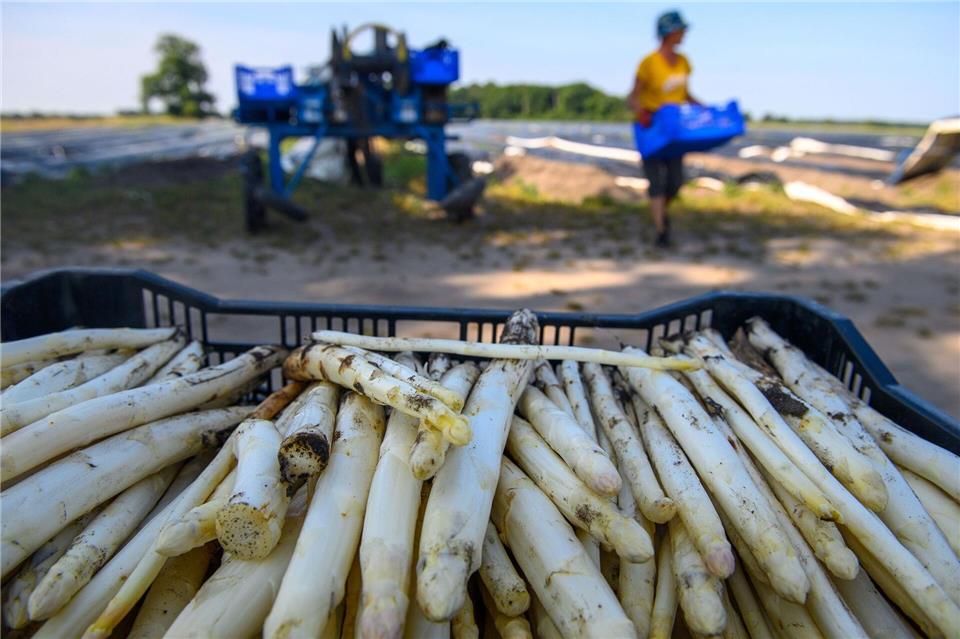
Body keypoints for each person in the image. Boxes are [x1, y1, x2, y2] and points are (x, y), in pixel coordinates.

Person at [628, 10, 701, 248]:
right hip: (652, 127)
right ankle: (661, 231)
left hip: (675, 130)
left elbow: (685, 94)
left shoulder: (684, 62)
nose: (684, 34)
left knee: (675, 181)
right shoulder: (648, 63)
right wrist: (641, 113)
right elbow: (634, 97)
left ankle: (660, 210)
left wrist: (705, 110)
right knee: (656, 182)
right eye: (680, 30)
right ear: (668, 32)